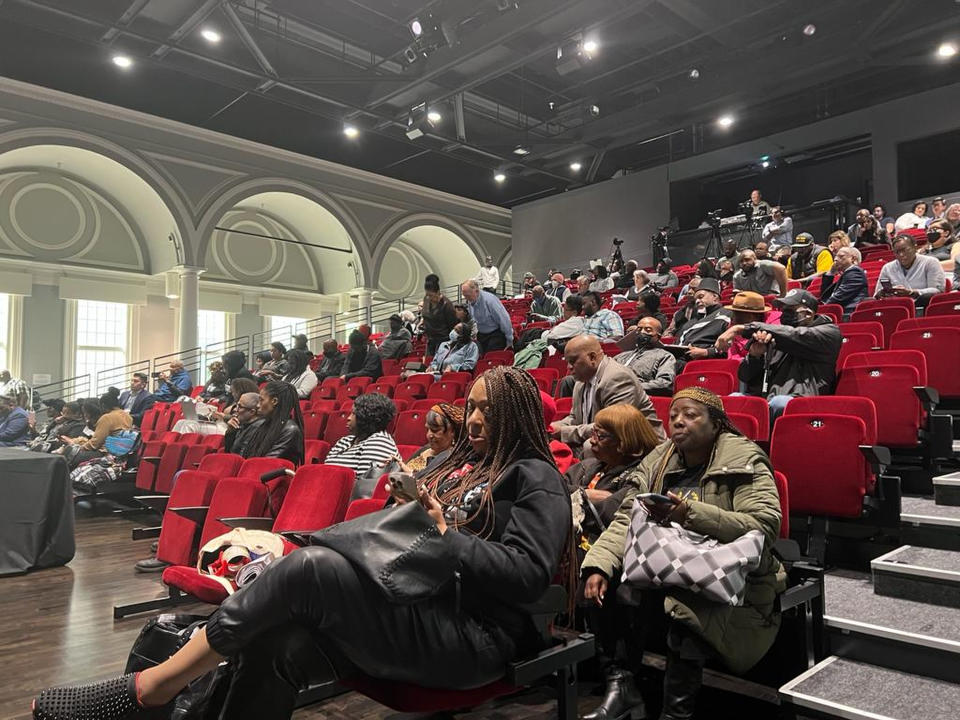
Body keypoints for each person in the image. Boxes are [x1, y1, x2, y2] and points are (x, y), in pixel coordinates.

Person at [34, 366, 572, 720]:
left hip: (476, 636)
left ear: (517, 416)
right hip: (415, 605)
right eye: (471, 406)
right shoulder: (462, 465)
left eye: (487, 410)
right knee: (277, 644)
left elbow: (527, 576)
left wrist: (443, 533)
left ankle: (156, 685)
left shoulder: (534, 478)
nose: (474, 419)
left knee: (313, 568)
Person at [581, 388, 784, 720]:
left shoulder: (743, 458)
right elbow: (626, 517)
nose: (678, 421)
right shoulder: (659, 458)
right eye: (673, 415)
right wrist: (599, 566)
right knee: (604, 586)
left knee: (687, 605)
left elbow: (763, 526)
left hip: (729, 571)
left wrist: (689, 514)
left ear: (716, 424)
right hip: (667, 562)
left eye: (690, 415)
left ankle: (676, 714)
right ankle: (623, 687)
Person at [565, 404, 661, 720]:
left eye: (601, 435)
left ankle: (620, 680)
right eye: (593, 431)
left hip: (627, 553)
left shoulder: (643, 473)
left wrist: (581, 498)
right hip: (578, 545)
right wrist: (585, 496)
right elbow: (559, 490)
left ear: (625, 442)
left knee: (612, 580)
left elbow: (617, 512)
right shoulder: (590, 466)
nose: (592, 439)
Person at [728, 290, 842, 423]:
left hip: (804, 399)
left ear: (808, 313)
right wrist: (755, 356)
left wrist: (745, 328)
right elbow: (745, 377)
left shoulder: (829, 332)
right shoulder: (777, 334)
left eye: (790, 310)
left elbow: (796, 335)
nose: (784, 314)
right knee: (734, 398)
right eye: (783, 310)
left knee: (779, 402)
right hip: (770, 397)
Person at [549, 335, 665, 453]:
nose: (569, 367)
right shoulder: (581, 381)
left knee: (591, 445)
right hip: (606, 438)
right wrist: (551, 428)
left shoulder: (617, 377)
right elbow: (575, 418)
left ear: (592, 357)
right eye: (567, 362)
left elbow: (611, 427)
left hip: (643, 445)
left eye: (573, 361)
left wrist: (564, 432)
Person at [326, 393, 399, 480]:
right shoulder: (344, 441)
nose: (348, 418)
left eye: (353, 413)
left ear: (366, 417)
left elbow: (365, 486)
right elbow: (325, 469)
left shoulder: (380, 442)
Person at [59, 389, 133, 465]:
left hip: (106, 453)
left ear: (103, 405)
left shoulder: (106, 418)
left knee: (69, 456)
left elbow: (95, 443)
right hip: (122, 453)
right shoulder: (127, 416)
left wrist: (80, 447)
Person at [238, 380, 304, 465]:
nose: (258, 405)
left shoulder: (290, 431)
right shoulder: (265, 425)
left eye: (261, 400)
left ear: (274, 401)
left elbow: (267, 464)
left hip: (272, 477)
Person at [875, 233, 945, 307]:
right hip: (896, 306)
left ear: (915, 248)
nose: (901, 254)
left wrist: (912, 292)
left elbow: (938, 291)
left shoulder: (930, 262)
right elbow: (876, 294)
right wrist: (882, 293)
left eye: (904, 250)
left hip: (922, 305)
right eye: (897, 252)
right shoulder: (887, 268)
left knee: (926, 297)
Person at [613, 317, 676, 395]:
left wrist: (632, 387)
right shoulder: (621, 356)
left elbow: (665, 383)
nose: (642, 332)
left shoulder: (664, 356)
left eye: (648, 330)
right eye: (639, 329)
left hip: (635, 395)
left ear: (658, 336)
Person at [675, 278, 732, 361]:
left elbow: (733, 346)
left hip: (705, 362)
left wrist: (707, 352)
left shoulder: (727, 314)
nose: (697, 301)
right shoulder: (691, 322)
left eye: (701, 297)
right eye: (696, 299)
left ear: (715, 297)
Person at [399, 402, 464, 474]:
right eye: (427, 429)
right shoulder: (426, 448)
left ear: (452, 431)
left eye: (435, 430)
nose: (429, 435)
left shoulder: (451, 457)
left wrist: (409, 473)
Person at [715, 291, 777, 364]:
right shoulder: (733, 327)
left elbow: (779, 332)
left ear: (752, 316)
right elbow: (734, 359)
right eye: (733, 313)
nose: (733, 318)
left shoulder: (775, 319)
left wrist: (741, 328)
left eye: (738, 314)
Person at [461, 279, 513, 353]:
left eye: (467, 295)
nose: (466, 298)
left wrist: (509, 339)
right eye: (464, 296)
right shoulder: (470, 300)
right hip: (482, 335)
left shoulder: (490, 300)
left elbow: (504, 320)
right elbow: (474, 320)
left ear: (476, 291)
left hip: (495, 335)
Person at [820, 246, 868, 314]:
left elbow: (838, 298)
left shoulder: (855, 272)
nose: (835, 259)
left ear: (853, 259)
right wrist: (831, 273)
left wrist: (822, 311)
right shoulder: (848, 274)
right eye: (835, 256)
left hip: (848, 314)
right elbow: (824, 295)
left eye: (841, 256)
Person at [421, 274, 458, 356]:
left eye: (431, 295)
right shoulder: (426, 299)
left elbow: (453, 326)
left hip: (443, 341)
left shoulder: (447, 305)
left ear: (438, 292)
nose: (429, 297)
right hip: (430, 340)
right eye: (427, 294)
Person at [221, 392, 265, 458]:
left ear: (252, 412)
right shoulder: (243, 423)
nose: (236, 409)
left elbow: (241, 457)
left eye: (240, 406)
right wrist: (230, 431)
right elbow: (228, 452)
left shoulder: (256, 428)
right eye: (237, 405)